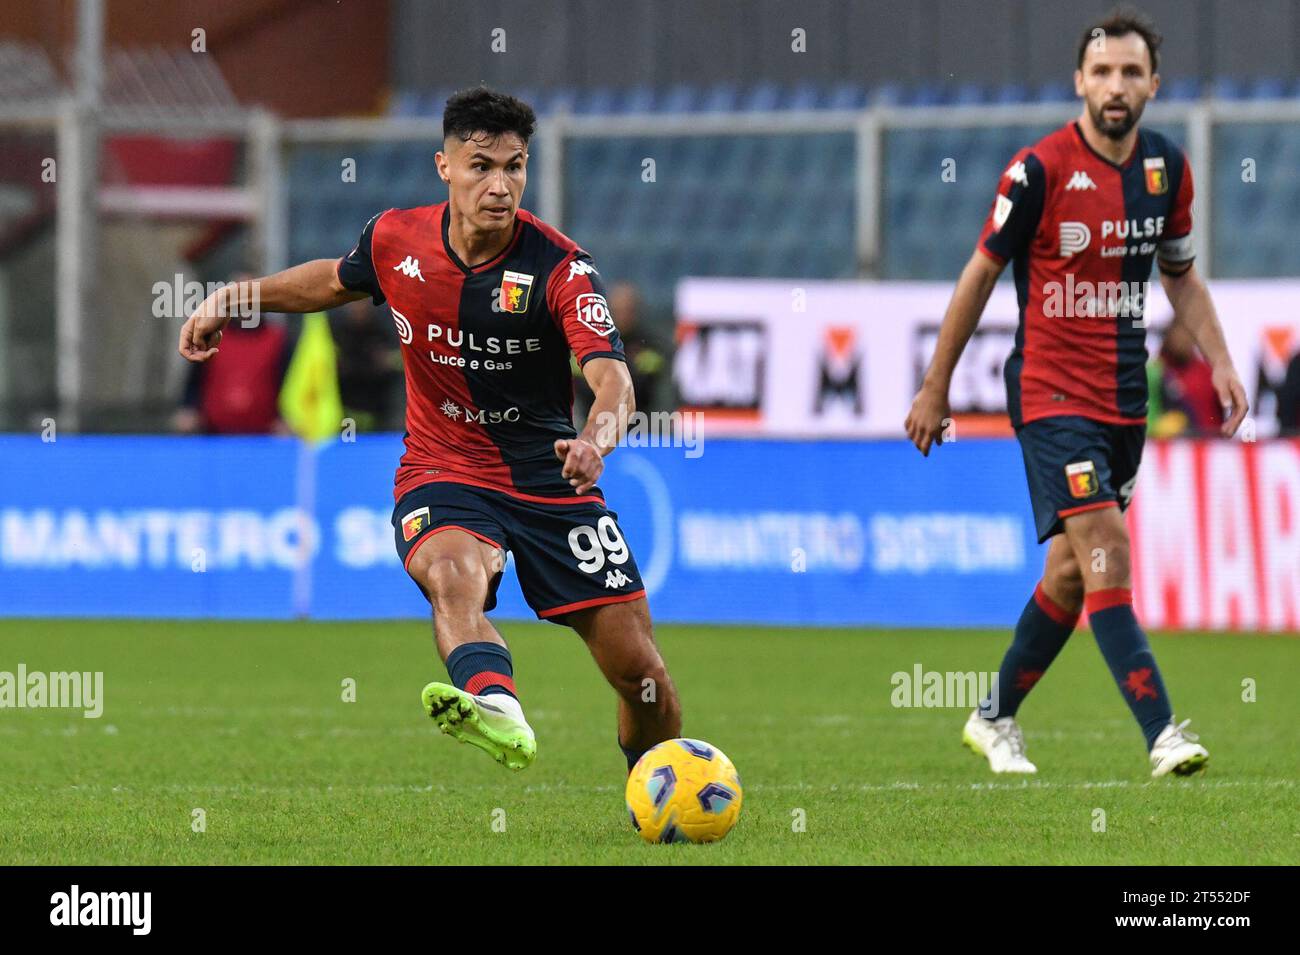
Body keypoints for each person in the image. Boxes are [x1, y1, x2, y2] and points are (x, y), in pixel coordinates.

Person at [179, 87, 681, 774]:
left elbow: (613, 379)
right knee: (450, 572)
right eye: (482, 166)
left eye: (515, 167)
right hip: (446, 466)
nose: (500, 186)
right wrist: (236, 296)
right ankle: (497, 703)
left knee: (639, 673)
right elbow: (331, 281)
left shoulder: (562, 269)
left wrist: (596, 439)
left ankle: (655, 779)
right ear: (444, 165)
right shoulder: (395, 240)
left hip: (551, 476)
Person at [905, 9, 1248, 778]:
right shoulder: (1039, 170)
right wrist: (936, 386)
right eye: (1102, 72)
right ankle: (1161, 731)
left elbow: (1181, 273)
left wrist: (1222, 360)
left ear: (1153, 85)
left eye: (1131, 73)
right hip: (1050, 391)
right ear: (1079, 83)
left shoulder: (1166, 171)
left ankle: (993, 717)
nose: (1116, 86)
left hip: (1125, 402)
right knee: (1107, 545)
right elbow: (980, 272)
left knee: (1069, 568)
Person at [173, 271, 290, 435]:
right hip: (214, 434)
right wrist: (189, 408)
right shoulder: (211, 334)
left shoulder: (277, 338)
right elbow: (195, 380)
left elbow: (288, 381)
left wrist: (285, 417)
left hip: (264, 437)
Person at [1147, 319, 1222, 437]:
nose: (1183, 340)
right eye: (1178, 334)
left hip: (1210, 445)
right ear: (1169, 337)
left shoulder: (1207, 372)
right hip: (1169, 446)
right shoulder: (1158, 372)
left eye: (1187, 334)